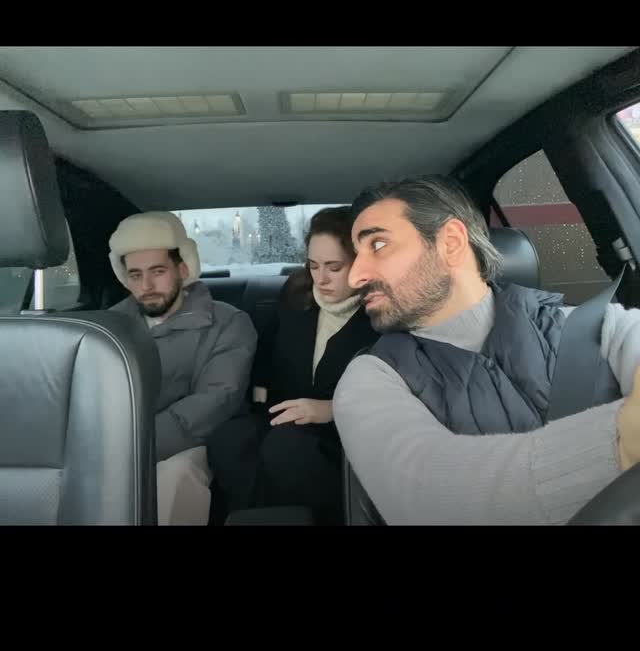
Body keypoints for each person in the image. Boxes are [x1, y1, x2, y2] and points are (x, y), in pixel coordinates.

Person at [332, 176, 640, 525]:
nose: (355, 276)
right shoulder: (369, 378)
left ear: (450, 242)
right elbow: (429, 499)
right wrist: (622, 442)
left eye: (377, 245)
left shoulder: (601, 326)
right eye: (356, 255)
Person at [208, 206, 376, 524]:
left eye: (334, 267)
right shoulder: (296, 295)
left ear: (360, 263)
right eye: (313, 265)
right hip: (284, 416)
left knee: (287, 447)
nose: (321, 279)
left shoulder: (382, 314)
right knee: (229, 439)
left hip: (342, 432)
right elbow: (267, 356)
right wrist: (261, 399)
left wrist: (331, 409)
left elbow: (392, 391)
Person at [108, 211, 257, 525]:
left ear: (183, 268)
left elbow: (215, 401)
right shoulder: (109, 326)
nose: (146, 285)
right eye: (135, 275)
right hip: (113, 442)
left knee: (175, 476)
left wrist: (134, 446)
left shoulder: (227, 323)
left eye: (158, 271)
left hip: (190, 443)